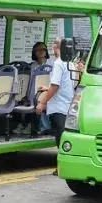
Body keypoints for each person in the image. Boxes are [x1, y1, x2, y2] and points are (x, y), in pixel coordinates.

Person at [36, 37, 76, 171]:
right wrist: (48, 89)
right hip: (67, 104)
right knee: (63, 136)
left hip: (59, 106)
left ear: (55, 48)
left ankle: (63, 166)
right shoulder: (70, 62)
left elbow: (55, 86)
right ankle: (65, 165)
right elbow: (69, 84)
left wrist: (42, 102)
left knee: (60, 137)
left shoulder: (59, 63)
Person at [30, 41, 51, 136]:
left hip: (47, 91)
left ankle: (45, 128)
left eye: (43, 49)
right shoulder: (33, 66)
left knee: (41, 102)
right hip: (33, 91)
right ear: (34, 52)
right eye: (38, 50)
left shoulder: (51, 64)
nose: (41, 52)